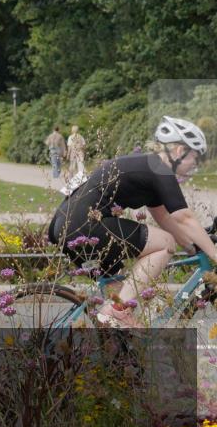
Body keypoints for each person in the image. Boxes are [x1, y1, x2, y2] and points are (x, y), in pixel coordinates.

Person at [47, 116, 217, 328]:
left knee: (121, 294)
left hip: (64, 225)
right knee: (165, 243)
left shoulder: (150, 167)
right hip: (84, 225)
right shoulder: (160, 168)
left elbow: (164, 217)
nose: (196, 165)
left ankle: (114, 344)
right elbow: (184, 218)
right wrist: (214, 254)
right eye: (195, 158)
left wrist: (193, 248)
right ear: (179, 151)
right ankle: (118, 311)